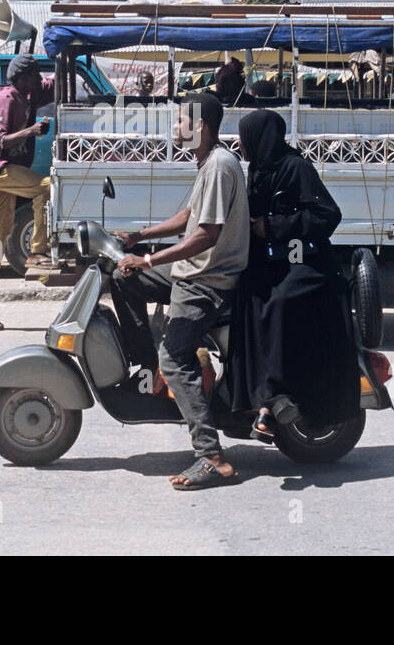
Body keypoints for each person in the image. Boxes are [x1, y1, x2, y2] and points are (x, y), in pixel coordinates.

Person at [110, 92, 250, 490]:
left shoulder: (220, 166)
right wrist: (139, 236)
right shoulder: (209, 162)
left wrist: (150, 260)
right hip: (192, 270)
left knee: (175, 359)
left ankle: (211, 456)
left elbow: (206, 235)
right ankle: (146, 363)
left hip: (206, 282)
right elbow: (189, 217)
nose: (174, 128)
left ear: (199, 126)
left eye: (179, 121)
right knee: (122, 278)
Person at [226, 109, 360, 442]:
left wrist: (271, 227)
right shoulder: (259, 168)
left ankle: (275, 399)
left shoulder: (295, 167)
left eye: (245, 137)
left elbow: (327, 214)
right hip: (275, 259)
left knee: (278, 304)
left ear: (260, 137)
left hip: (307, 262)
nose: (240, 144)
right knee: (243, 297)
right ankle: (250, 396)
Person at [0, 54, 54, 330]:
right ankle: (37, 251)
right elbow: (0, 142)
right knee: (47, 189)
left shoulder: (29, 94)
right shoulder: (4, 100)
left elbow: (54, 84)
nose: (39, 80)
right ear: (21, 79)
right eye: (34, 76)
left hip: (8, 168)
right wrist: (31, 130)